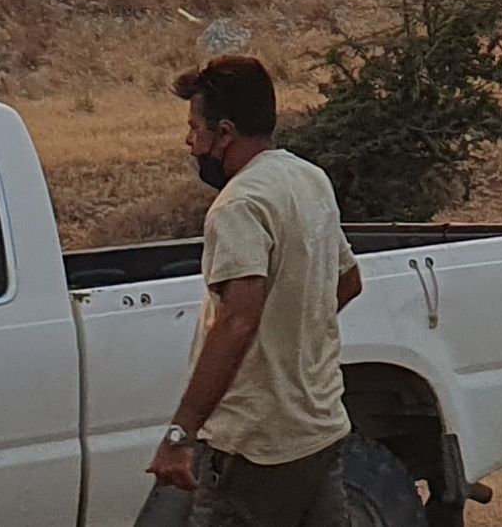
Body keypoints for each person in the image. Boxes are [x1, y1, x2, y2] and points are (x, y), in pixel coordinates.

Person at [149, 54, 365, 527]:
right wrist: (290, 337)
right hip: (320, 431)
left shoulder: (238, 205)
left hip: (254, 449)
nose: (189, 142)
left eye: (194, 128)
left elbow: (238, 320)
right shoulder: (308, 179)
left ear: (224, 133)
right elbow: (348, 281)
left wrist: (180, 434)